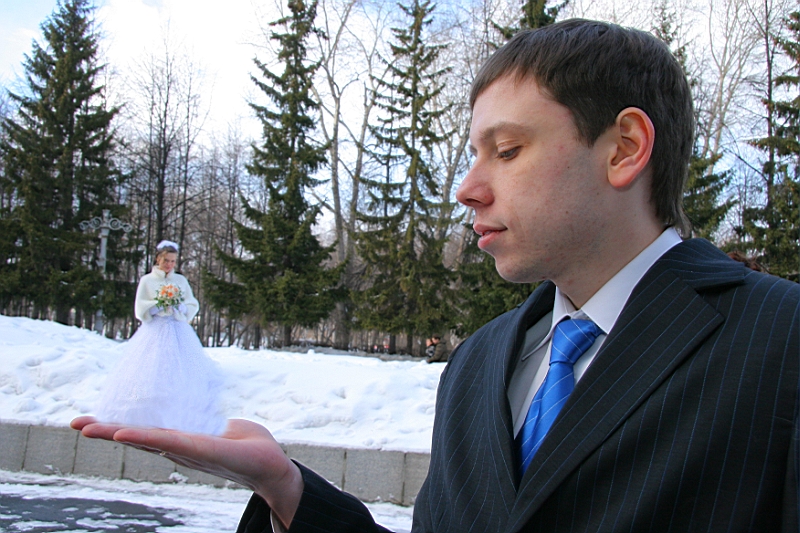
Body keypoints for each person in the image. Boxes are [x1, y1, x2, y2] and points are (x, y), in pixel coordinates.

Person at [72, 19, 799, 532]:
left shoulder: (782, 343)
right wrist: (284, 486)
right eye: (472, 155)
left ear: (624, 148)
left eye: (506, 150)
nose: (467, 189)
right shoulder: (480, 362)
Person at [93, 240, 227, 436]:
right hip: (155, 329)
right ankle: (145, 412)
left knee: (182, 368)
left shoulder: (180, 280)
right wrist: (156, 306)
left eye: (173, 261)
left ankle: (181, 412)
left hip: (178, 329)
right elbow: (140, 307)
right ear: (158, 259)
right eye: (166, 261)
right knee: (150, 367)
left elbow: (192, 303)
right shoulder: (147, 280)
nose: (169, 265)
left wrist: (180, 307)